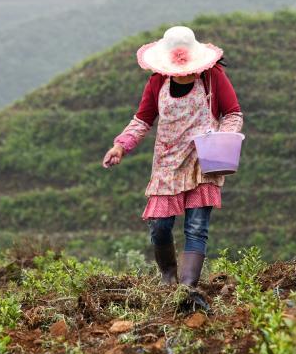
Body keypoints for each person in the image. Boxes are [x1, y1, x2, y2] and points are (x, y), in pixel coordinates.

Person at [103, 26, 243, 300]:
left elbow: (233, 113)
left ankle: (187, 288)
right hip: (167, 163)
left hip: (203, 162)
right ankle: (168, 276)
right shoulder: (158, 82)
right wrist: (121, 146)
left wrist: (223, 137)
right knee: (160, 224)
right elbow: (142, 120)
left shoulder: (212, 77)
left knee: (196, 227)